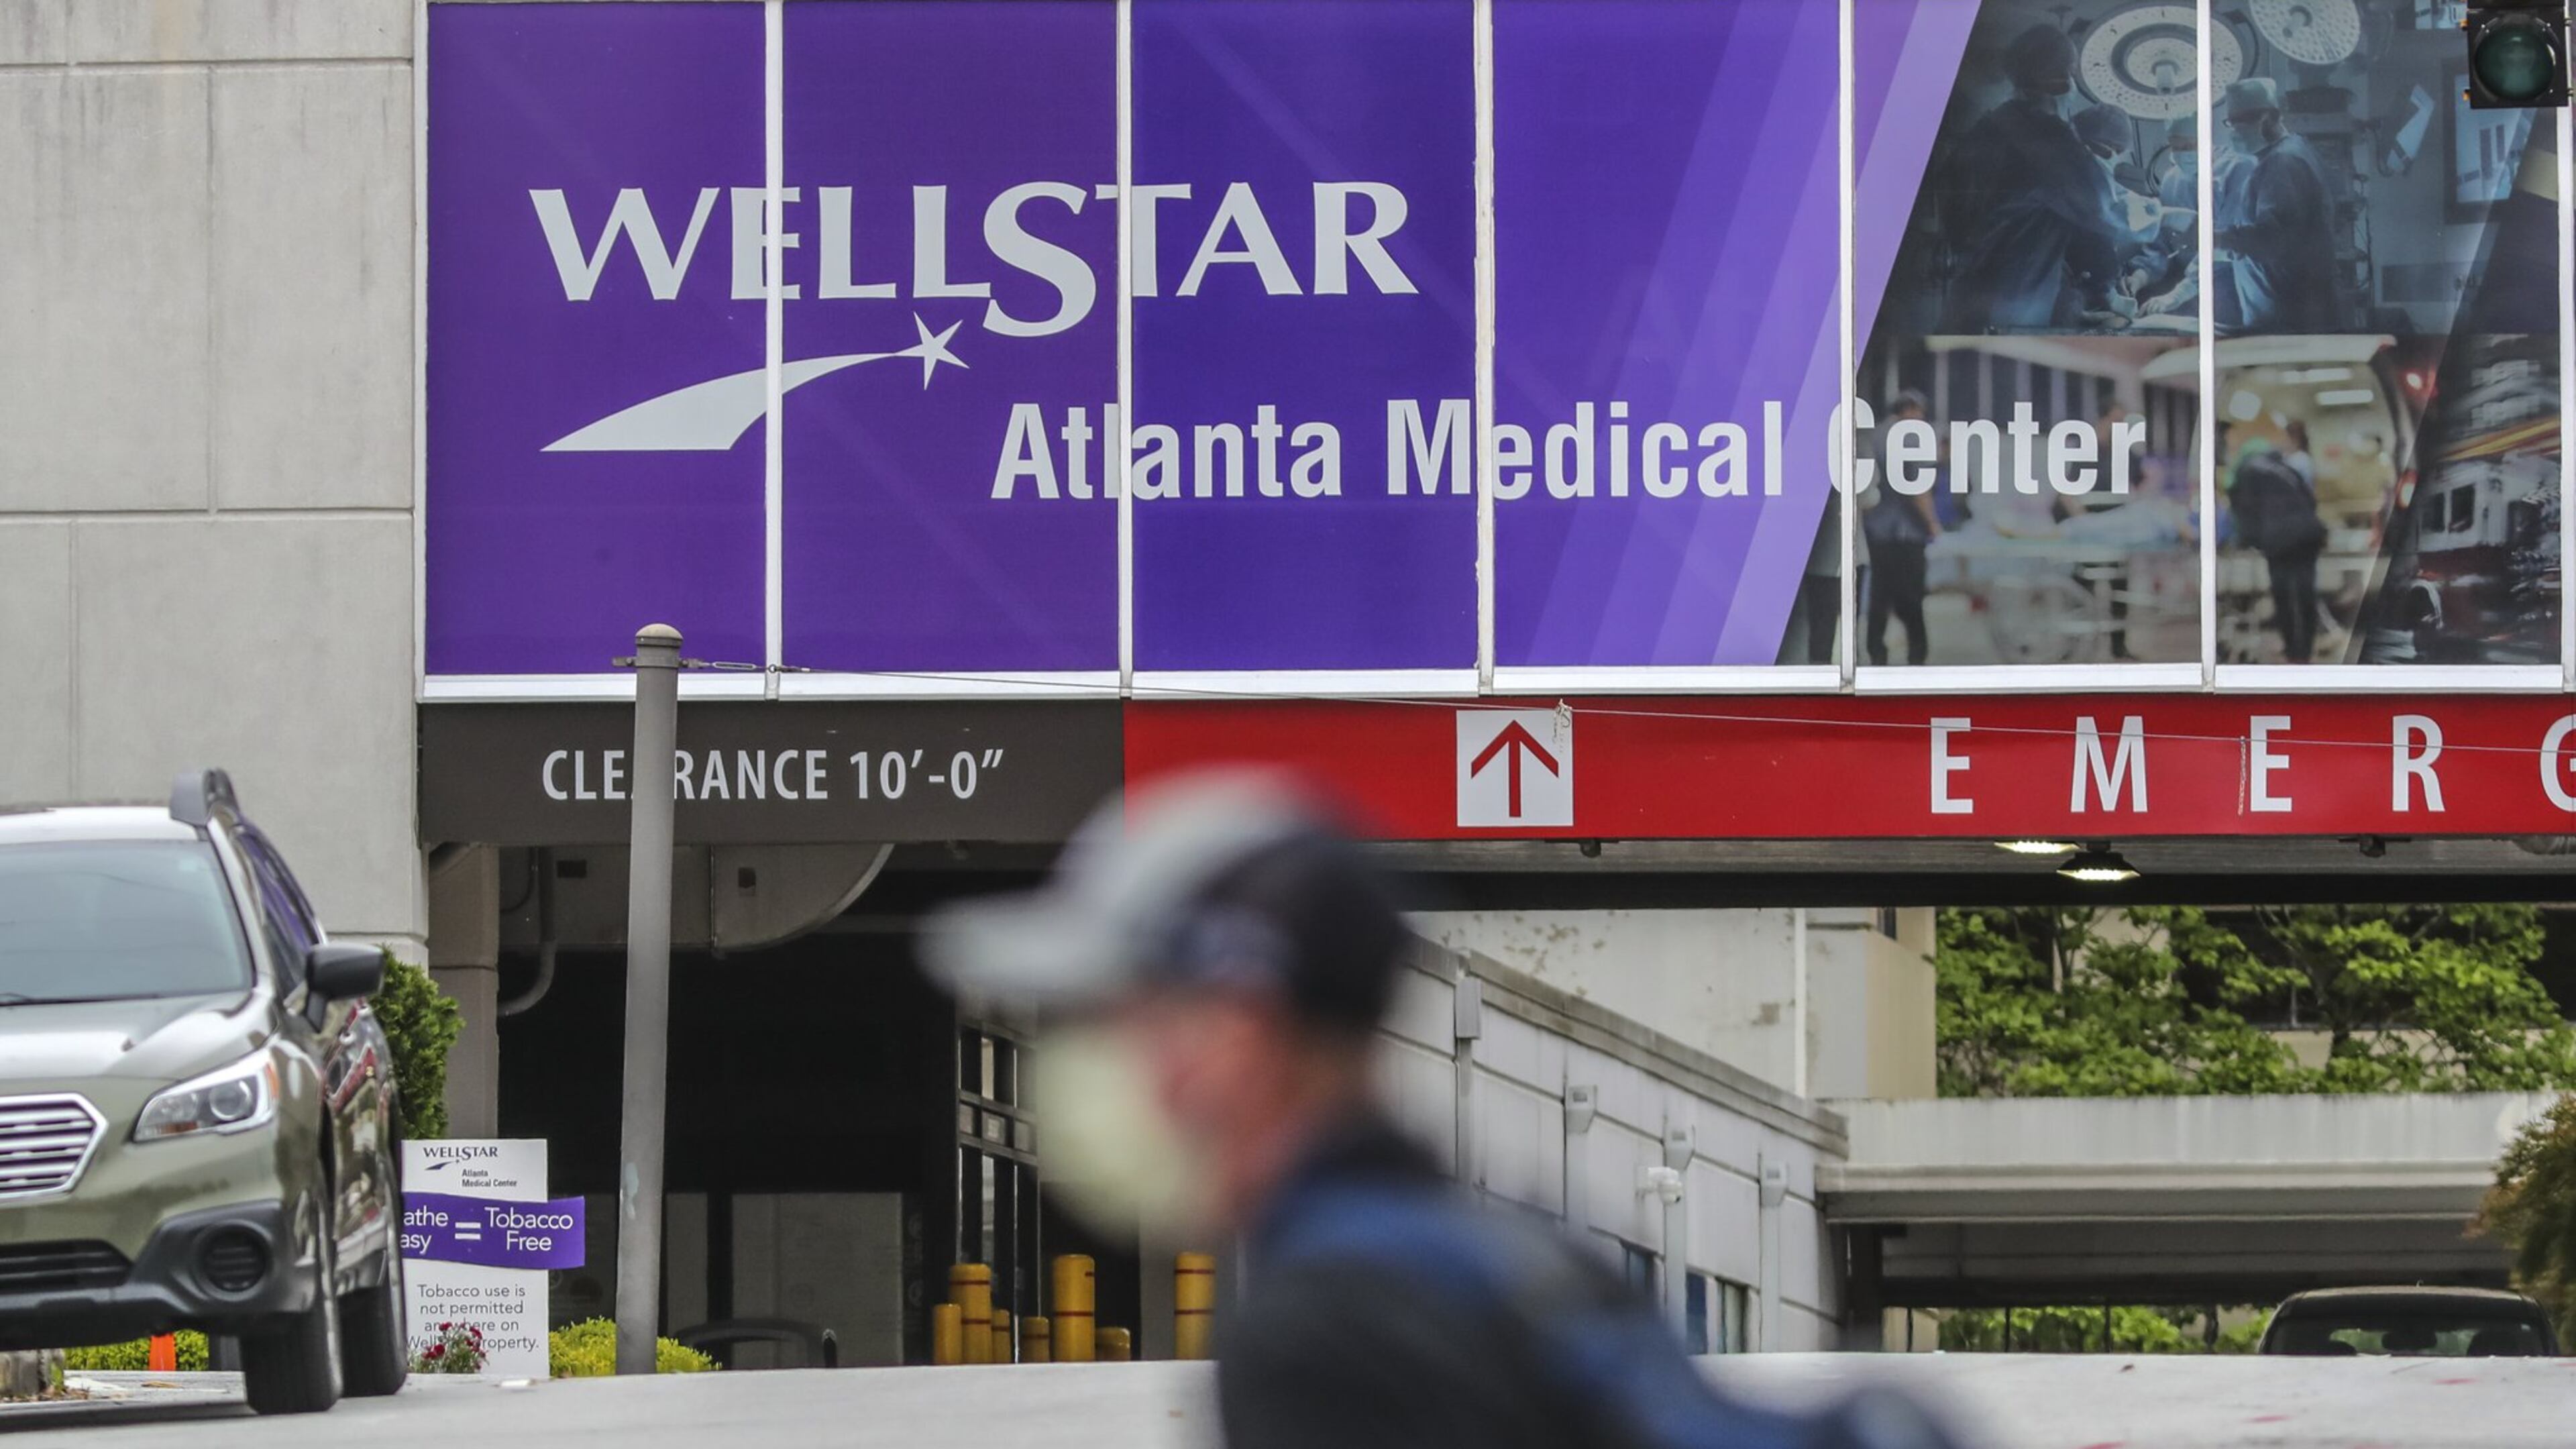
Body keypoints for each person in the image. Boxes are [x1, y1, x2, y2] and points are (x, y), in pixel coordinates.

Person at [924, 774, 1964, 1449]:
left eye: (1120, 1014)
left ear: (1235, 1028)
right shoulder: (1515, 1252)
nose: (1091, 1058)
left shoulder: (1320, 1330)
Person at [1943, 25, 2147, 331]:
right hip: (2013, 308)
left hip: (1970, 300)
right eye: (2070, 71)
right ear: (2065, 76)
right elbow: (2103, 212)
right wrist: (2163, 216)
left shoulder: (1989, 128)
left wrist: (2068, 310)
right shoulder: (2047, 138)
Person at [2214, 78, 2343, 332]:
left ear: (2267, 118)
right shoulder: (2292, 151)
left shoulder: (2282, 163)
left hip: (2288, 316)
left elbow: (2274, 240)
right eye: (2231, 122)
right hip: (2291, 310)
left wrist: (2217, 240)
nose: (2234, 130)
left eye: (2241, 122)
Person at [2226, 435, 2326, 662]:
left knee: (2284, 595)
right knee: (2306, 592)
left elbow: (2244, 511)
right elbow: (2310, 500)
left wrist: (2248, 541)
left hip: (2279, 539)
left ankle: (2294, 651)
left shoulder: (2246, 471)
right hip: (2308, 535)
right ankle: (2306, 650)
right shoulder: (2286, 468)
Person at [1862, 390, 1938, 666]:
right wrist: (1932, 523)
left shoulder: (1875, 435)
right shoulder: (1911, 437)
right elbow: (1919, 489)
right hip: (1907, 533)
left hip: (1877, 531)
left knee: (1879, 598)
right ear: (1911, 409)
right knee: (1912, 598)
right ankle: (1917, 656)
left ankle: (1876, 653)